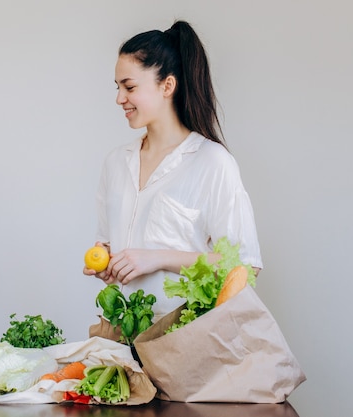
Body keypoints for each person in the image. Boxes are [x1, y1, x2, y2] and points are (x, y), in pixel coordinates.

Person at [84, 21, 263, 316]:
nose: (119, 98)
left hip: (182, 341)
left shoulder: (211, 162)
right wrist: (109, 264)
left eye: (129, 87)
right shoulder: (115, 163)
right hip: (118, 334)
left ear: (167, 85)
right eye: (118, 88)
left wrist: (157, 258)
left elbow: (245, 267)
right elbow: (107, 241)